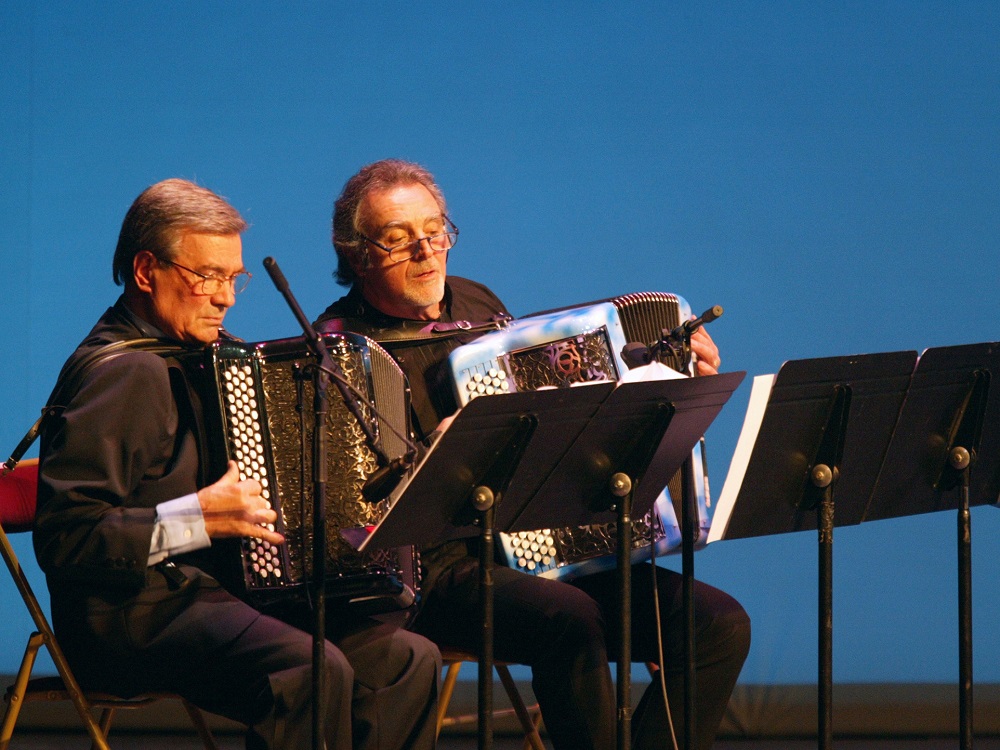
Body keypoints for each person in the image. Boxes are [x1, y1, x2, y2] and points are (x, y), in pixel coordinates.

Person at [315, 159, 752, 750]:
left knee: (718, 625)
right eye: (398, 240)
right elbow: (347, 512)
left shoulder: (477, 301)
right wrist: (433, 461)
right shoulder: (337, 355)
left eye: (435, 230)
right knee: (569, 620)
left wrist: (672, 379)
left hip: (538, 547)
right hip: (436, 573)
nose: (426, 251)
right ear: (358, 255)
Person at [33, 178, 441, 750]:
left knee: (401, 659)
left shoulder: (204, 355)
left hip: (214, 590)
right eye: (208, 277)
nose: (225, 297)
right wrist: (197, 518)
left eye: (233, 278)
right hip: (132, 613)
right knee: (309, 670)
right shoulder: (124, 373)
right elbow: (64, 537)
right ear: (147, 271)